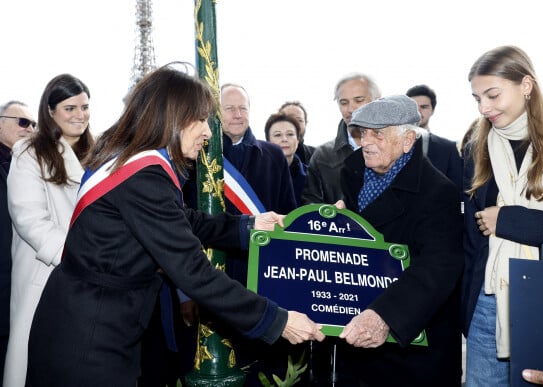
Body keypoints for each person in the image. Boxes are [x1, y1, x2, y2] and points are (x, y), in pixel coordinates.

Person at [24, 63, 324, 387]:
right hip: (90, 335)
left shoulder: (131, 158)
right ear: (175, 118)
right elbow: (193, 270)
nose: (209, 133)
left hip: (88, 318)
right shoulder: (144, 176)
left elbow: (182, 218)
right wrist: (276, 320)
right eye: (201, 120)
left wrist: (249, 226)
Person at [462, 45, 543, 387]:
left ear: (526, 85)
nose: (484, 107)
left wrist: (509, 221)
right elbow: (467, 233)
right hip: (486, 302)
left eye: (492, 94)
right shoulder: (476, 146)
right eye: (476, 98)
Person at [337, 95, 464, 386]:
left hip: (412, 343)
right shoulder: (353, 173)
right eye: (362, 133)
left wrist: (385, 316)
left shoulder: (438, 193)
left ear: (408, 140)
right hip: (357, 337)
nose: (365, 142)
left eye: (377, 134)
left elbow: (438, 267)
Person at [3, 75, 93, 387]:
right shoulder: (29, 152)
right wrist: (86, 256)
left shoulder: (98, 156)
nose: (79, 114)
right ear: (50, 111)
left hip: (93, 284)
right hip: (48, 276)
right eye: (70, 107)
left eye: (84, 106)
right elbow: (30, 220)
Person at [220, 83, 299, 386]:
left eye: (243, 108)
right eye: (229, 108)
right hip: (219, 270)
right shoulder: (200, 156)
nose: (237, 114)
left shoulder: (273, 155)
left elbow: (286, 214)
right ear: (216, 112)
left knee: (262, 362)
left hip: (265, 272)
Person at [302, 73, 381, 205]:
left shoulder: (397, 148)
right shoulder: (323, 156)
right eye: (344, 103)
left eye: (359, 100)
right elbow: (310, 205)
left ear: (377, 101)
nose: (351, 109)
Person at [0, 100, 36, 383]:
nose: (30, 129)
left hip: (18, 289)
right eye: (23, 122)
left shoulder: (27, 167)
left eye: (34, 125)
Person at [405, 84, 463, 190]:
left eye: (424, 107)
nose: (418, 112)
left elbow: (456, 189)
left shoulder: (448, 148)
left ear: (432, 110)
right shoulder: (390, 144)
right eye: (413, 107)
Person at [264, 112, 307, 205]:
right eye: (278, 135)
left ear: (298, 139)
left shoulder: (312, 176)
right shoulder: (256, 173)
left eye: (290, 134)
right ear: (268, 141)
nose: (284, 139)